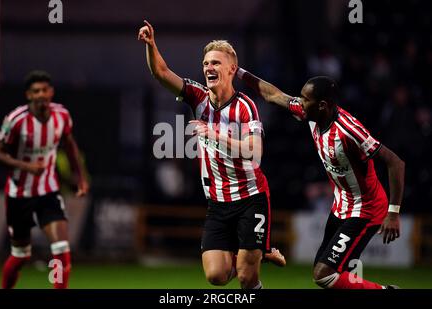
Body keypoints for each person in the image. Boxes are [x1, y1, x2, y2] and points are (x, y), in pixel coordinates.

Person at [138, 20, 285, 289]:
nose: (209, 68)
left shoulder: (244, 106)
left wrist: (214, 136)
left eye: (216, 63)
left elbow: (255, 151)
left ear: (231, 70)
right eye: (206, 63)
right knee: (216, 276)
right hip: (218, 202)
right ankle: (256, 251)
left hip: (251, 197)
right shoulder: (197, 97)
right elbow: (161, 72)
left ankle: (253, 254)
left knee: (245, 277)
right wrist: (151, 46)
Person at [237, 69, 405, 289]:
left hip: (366, 209)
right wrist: (239, 72)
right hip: (341, 205)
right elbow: (273, 95)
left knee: (323, 275)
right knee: (334, 273)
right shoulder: (311, 113)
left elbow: (395, 162)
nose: (300, 102)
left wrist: (393, 213)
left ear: (322, 105)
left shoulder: (349, 131)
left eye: (305, 99)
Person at [0, 70, 89, 289]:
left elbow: (70, 145)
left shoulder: (62, 115)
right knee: (21, 256)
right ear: (29, 95)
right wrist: (25, 166)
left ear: (51, 92)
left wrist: (80, 177)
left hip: (48, 192)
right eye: (36, 91)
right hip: (19, 195)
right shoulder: (15, 120)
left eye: (45, 90)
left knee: (62, 249)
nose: (41, 95)